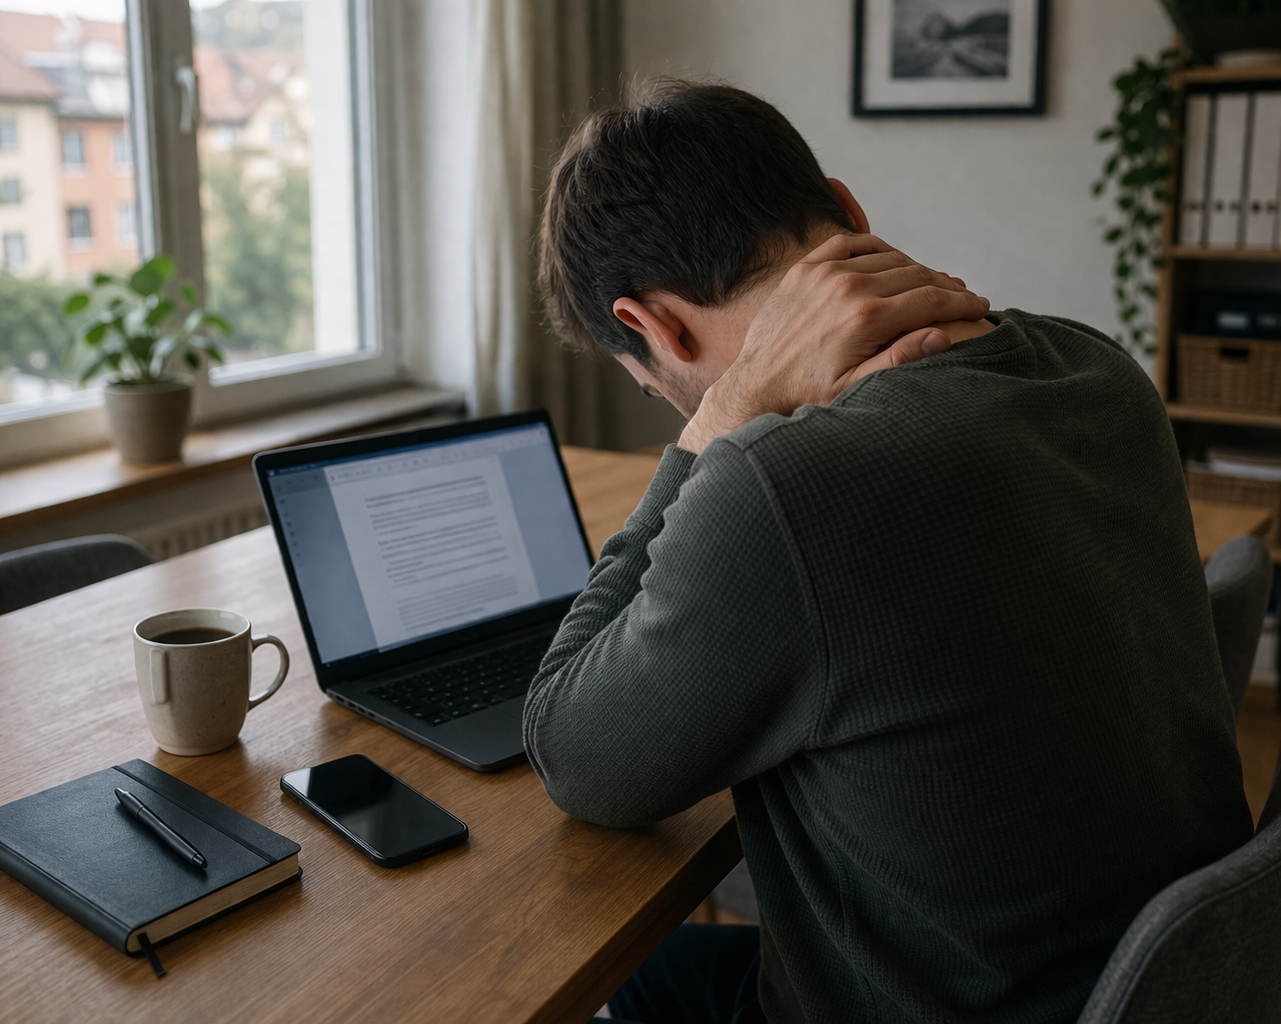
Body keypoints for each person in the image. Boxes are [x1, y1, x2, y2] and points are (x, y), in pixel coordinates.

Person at [523, 80, 1253, 1024]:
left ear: (650, 325)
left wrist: (717, 420)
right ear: (847, 209)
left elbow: (573, 754)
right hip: (1157, 982)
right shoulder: (1097, 366)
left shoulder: (780, 486)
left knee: (614, 986)